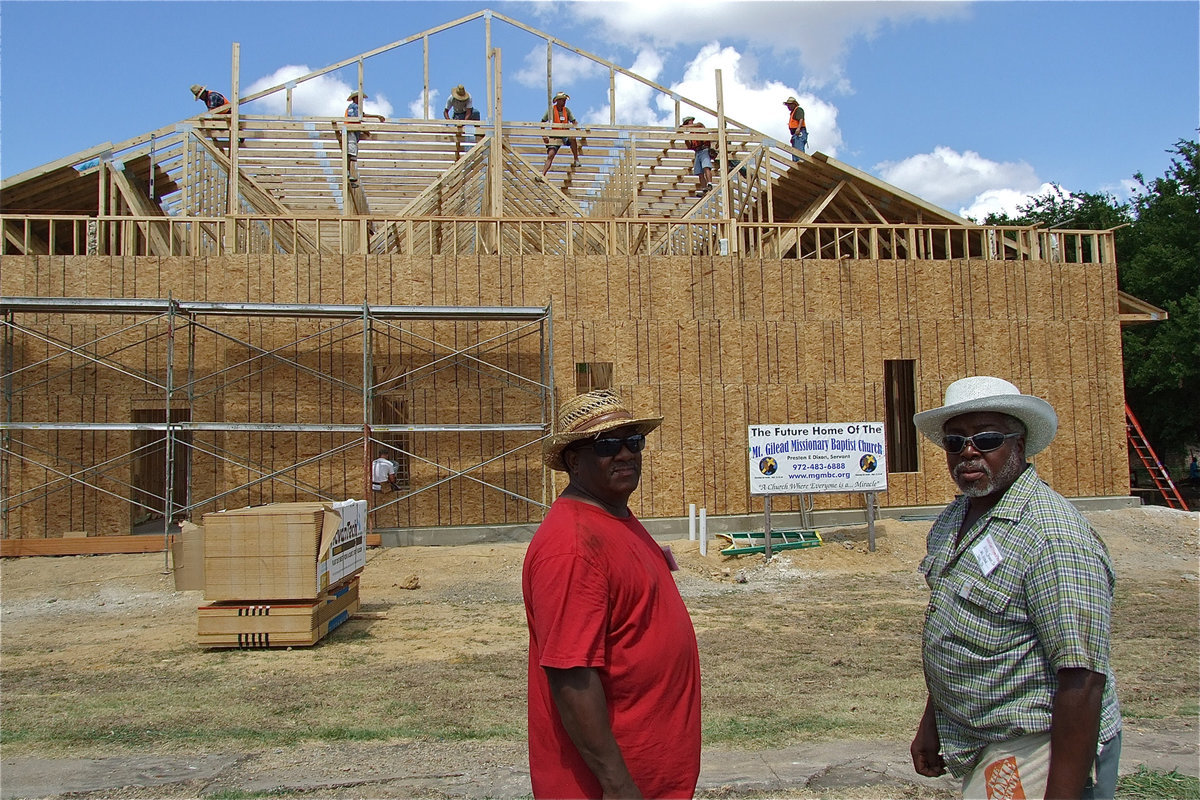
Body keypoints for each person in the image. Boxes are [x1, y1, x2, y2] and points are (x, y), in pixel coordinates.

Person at [910, 376, 1122, 800]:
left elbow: (1083, 680)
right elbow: (959, 629)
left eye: (986, 438)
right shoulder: (956, 518)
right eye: (955, 442)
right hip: (985, 737)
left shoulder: (1052, 538)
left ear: (1019, 444)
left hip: (1042, 742)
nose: (969, 451)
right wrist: (931, 722)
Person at [522, 389, 701, 799]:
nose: (625, 454)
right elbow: (571, 674)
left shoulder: (611, 518)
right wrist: (618, 785)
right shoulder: (572, 546)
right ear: (573, 461)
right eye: (607, 445)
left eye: (632, 442)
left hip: (649, 775)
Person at [345, 91, 386, 184]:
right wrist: (364, 129)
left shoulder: (356, 108)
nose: (361, 101)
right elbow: (353, 120)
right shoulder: (353, 107)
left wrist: (377, 116)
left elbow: (362, 115)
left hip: (353, 133)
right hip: (350, 131)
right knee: (350, 154)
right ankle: (348, 174)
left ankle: (349, 174)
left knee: (352, 154)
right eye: (360, 99)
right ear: (355, 98)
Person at [540, 91, 582, 175]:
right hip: (555, 135)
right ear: (558, 101)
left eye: (565, 100)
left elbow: (574, 121)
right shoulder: (551, 110)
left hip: (565, 134)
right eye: (563, 100)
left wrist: (578, 128)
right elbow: (542, 122)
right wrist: (544, 135)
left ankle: (576, 160)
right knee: (550, 155)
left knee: (573, 138)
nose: (564, 102)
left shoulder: (566, 111)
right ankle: (543, 174)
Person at [680, 116, 714, 196]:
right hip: (697, 152)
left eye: (687, 123)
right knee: (699, 172)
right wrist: (684, 136)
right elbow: (689, 146)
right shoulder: (691, 135)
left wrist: (683, 127)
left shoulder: (699, 126)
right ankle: (704, 189)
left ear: (691, 121)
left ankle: (709, 184)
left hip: (704, 150)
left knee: (706, 166)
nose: (687, 125)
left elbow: (699, 125)